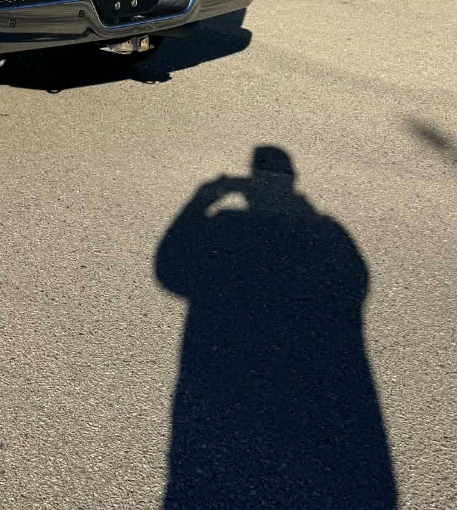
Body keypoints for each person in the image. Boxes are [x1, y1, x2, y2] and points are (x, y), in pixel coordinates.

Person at [155, 146, 396, 510]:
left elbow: (170, 270)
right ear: (293, 186)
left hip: (220, 398)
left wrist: (202, 199)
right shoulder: (327, 238)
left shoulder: (226, 229)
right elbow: (354, 287)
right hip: (309, 409)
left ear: (248, 187)